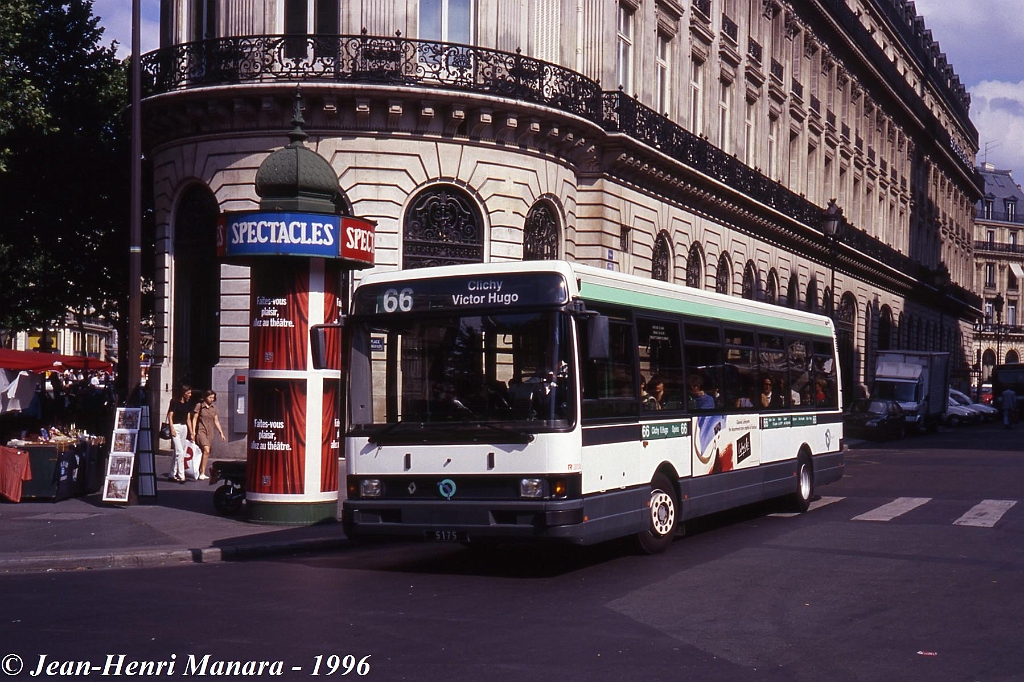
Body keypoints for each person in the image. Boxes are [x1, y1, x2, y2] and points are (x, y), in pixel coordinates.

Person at [191, 390, 226, 480]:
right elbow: (194, 419)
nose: (211, 399)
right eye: (210, 397)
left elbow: (216, 421)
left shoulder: (214, 408)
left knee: (206, 452)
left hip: (210, 432)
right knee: (206, 450)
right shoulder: (199, 406)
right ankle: (202, 472)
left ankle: (200, 470)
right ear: (205, 397)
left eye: (213, 398)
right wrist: (193, 431)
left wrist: (221, 433)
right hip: (201, 431)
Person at [165, 384, 193, 483]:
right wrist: (172, 428)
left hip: (184, 427)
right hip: (176, 427)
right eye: (188, 393)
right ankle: (182, 475)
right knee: (180, 452)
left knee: (177, 452)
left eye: (190, 393)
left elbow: (188, 419)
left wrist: (191, 432)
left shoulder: (188, 403)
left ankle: (171, 474)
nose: (190, 395)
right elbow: (170, 415)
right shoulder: (174, 402)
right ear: (183, 393)